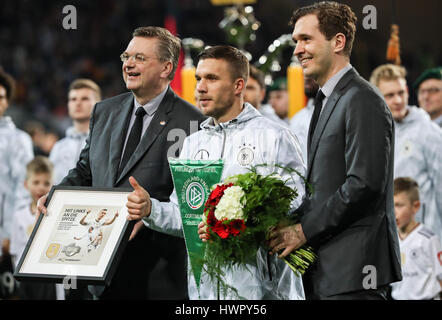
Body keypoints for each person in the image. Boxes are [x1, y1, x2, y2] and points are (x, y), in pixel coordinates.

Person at [125, 45, 306, 300]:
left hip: (264, 290)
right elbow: (186, 216)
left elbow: (297, 200)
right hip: (205, 292)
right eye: (199, 78)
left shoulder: (274, 136)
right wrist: (150, 209)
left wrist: (235, 222)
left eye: (212, 78)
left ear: (238, 85)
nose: (200, 87)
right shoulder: (193, 143)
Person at [38, 26, 206, 300]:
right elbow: (85, 170)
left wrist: (151, 210)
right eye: (126, 56)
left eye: (139, 58)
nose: (128, 64)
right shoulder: (104, 111)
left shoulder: (192, 122)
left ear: (166, 68)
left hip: (155, 274)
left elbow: (191, 202)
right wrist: (56, 195)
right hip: (96, 267)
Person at [267, 1, 402, 300]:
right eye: (295, 41)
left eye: (306, 39)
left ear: (338, 41)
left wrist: (303, 230)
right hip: (330, 272)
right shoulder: (327, 99)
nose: (297, 50)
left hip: (355, 273)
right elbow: (325, 189)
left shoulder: (362, 99)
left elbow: (364, 185)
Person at [370, 64, 442, 241]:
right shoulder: (371, 135)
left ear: (408, 91)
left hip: (426, 239)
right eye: (390, 95)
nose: (397, 100)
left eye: (401, 93)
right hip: (388, 237)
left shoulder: (428, 131)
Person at [10, 156, 59, 300]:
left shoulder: (54, 213)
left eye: (46, 183)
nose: (41, 187)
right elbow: (15, 249)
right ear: (26, 184)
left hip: (48, 275)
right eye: (36, 182)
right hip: (26, 275)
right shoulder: (19, 215)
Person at [0, 69, 34, 265]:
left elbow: (23, 190)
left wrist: (10, 233)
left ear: (7, 102)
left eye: (1, 97)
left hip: (5, 237)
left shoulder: (19, 140)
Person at [391, 177, 442, 300]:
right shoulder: (392, 240)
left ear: (415, 206)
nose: (394, 211)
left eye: (398, 205)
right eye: (391, 205)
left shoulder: (427, 239)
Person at [50, 79, 102, 184]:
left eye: (84, 99)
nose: (78, 103)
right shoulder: (58, 147)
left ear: (98, 103)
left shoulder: (104, 143)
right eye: (73, 99)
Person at [289, 77, 319, 163]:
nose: (307, 77)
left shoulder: (339, 111)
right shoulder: (297, 118)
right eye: (305, 71)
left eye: (314, 71)